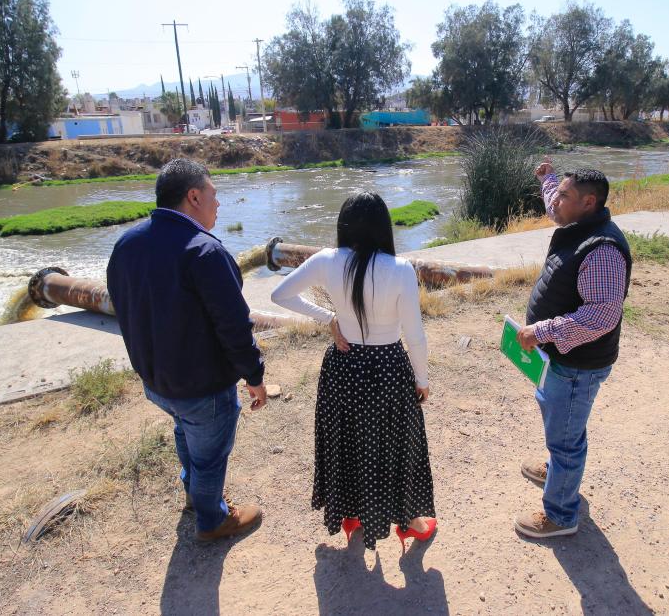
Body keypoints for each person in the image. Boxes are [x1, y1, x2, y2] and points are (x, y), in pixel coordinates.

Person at [106, 158, 267, 542]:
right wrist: (255, 375)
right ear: (193, 196)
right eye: (214, 195)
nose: (218, 203)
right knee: (210, 454)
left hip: (157, 383)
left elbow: (123, 305)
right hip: (202, 385)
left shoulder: (128, 243)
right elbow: (234, 325)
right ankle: (212, 519)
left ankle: (195, 496)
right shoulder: (204, 251)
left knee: (185, 431)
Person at [270, 192, 436, 551]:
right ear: (383, 227)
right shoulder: (400, 269)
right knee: (395, 444)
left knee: (345, 437)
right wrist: (422, 380)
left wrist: (330, 319)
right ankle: (409, 521)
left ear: (343, 225)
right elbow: (415, 336)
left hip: (344, 365)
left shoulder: (327, 260)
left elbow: (280, 295)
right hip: (389, 367)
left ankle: (350, 515)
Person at [514, 164, 632, 539]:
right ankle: (557, 472)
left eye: (564, 196)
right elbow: (553, 203)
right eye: (558, 193)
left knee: (566, 438)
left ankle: (562, 515)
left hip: (577, 365)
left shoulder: (603, 250)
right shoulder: (577, 222)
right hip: (561, 360)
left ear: (588, 202)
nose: (555, 203)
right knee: (561, 426)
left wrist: (542, 330)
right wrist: (548, 180)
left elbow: (600, 316)